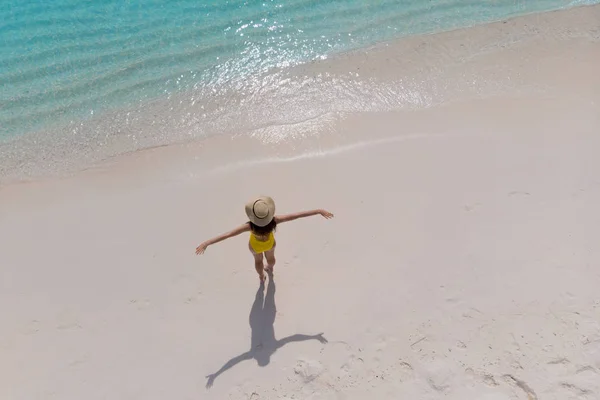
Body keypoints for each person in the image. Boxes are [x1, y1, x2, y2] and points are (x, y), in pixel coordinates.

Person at [195, 196, 333, 282]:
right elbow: (297, 215)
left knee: (258, 261)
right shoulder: (275, 221)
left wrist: (207, 243)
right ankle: (270, 269)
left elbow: (228, 234)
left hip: (255, 246)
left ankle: (261, 277)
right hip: (270, 244)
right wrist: (318, 211)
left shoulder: (249, 226)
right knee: (271, 259)